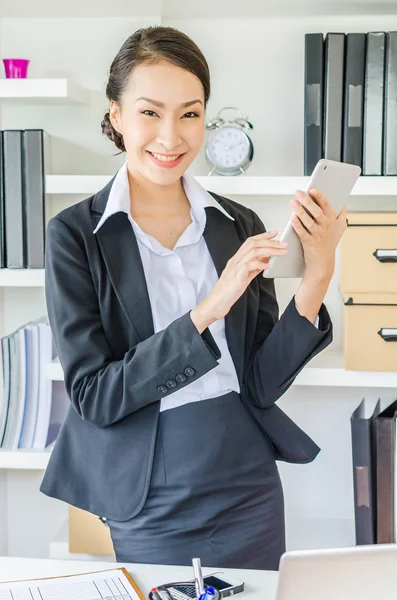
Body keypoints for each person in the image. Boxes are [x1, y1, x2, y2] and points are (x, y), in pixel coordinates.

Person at [40, 25, 346, 570]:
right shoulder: (75, 236)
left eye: (189, 113)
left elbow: (260, 381)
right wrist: (210, 306)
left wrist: (318, 276)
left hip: (246, 480)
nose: (171, 136)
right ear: (115, 116)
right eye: (150, 113)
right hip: (149, 491)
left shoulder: (237, 224)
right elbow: (94, 395)